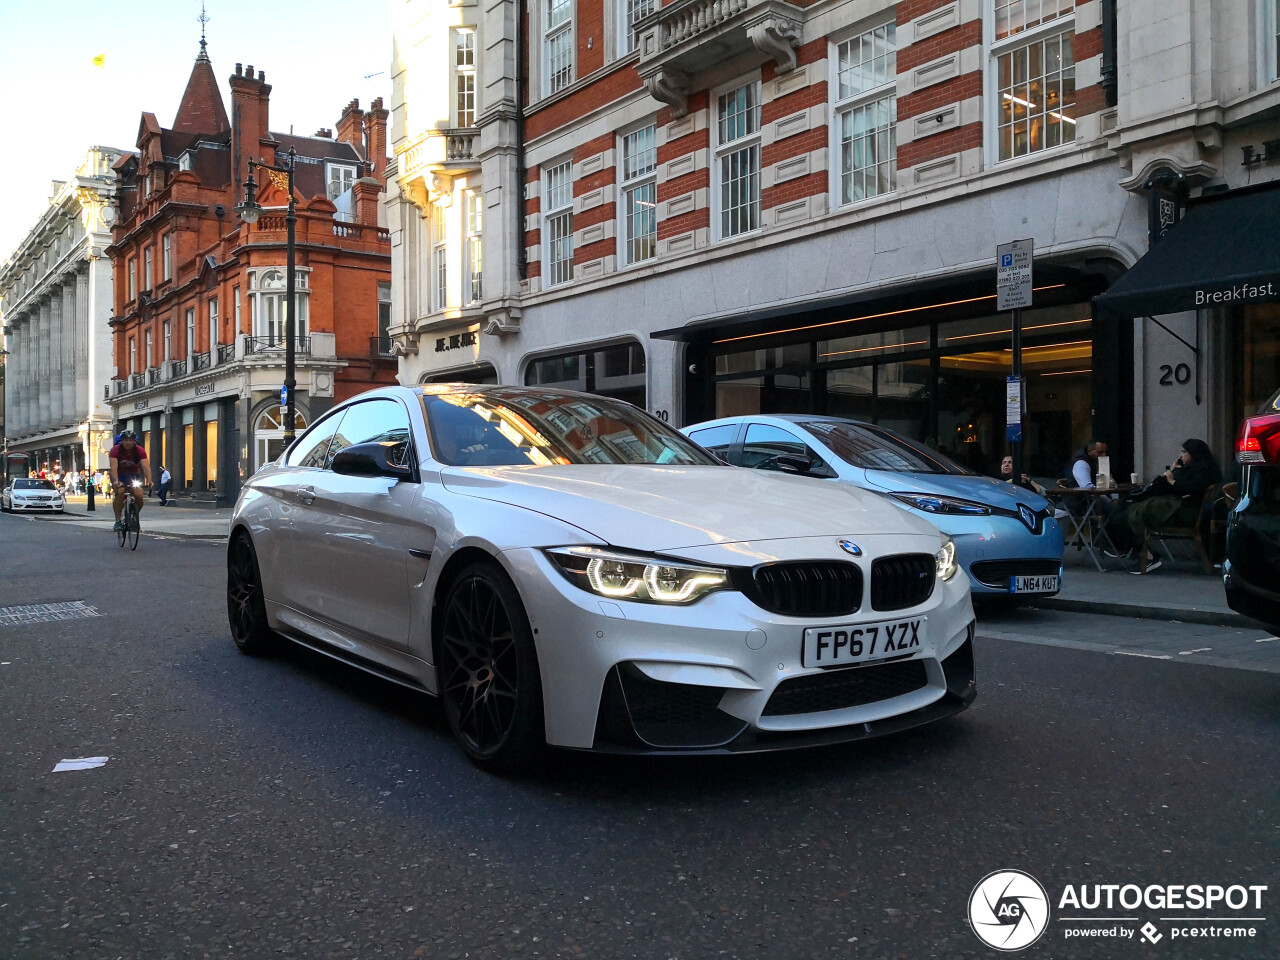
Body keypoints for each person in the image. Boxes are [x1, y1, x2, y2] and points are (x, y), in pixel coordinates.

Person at [1106, 438, 1222, 573]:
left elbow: (1189, 488)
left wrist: (1172, 480)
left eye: (1184, 452)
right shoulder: (1189, 468)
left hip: (1184, 512)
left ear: (1194, 453)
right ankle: (1132, 549)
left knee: (1137, 511)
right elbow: (1166, 486)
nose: (1181, 455)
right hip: (1176, 507)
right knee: (1124, 507)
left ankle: (1146, 555)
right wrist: (1174, 471)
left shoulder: (1204, 471)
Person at [109, 430, 153, 533]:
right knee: (120, 492)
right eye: (125, 440)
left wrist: (150, 480)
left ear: (134, 441)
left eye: (130, 440)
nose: (128, 443)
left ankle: (134, 516)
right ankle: (118, 521)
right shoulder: (115, 450)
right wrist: (116, 481)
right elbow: (113, 468)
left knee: (139, 494)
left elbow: (146, 467)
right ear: (122, 441)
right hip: (119, 475)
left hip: (133, 475)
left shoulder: (140, 451)